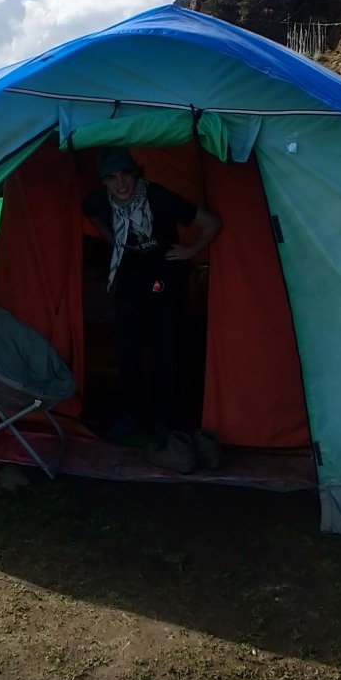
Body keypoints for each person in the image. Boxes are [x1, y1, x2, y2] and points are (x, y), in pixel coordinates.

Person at [81, 146, 222, 472]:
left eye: (126, 174)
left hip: (164, 272)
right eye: (112, 178)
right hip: (131, 272)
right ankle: (130, 415)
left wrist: (190, 250)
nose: (120, 183)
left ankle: (163, 421)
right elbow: (89, 209)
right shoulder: (100, 199)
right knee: (127, 345)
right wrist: (114, 240)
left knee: (165, 346)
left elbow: (212, 223)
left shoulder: (158, 197)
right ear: (104, 181)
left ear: (136, 173)